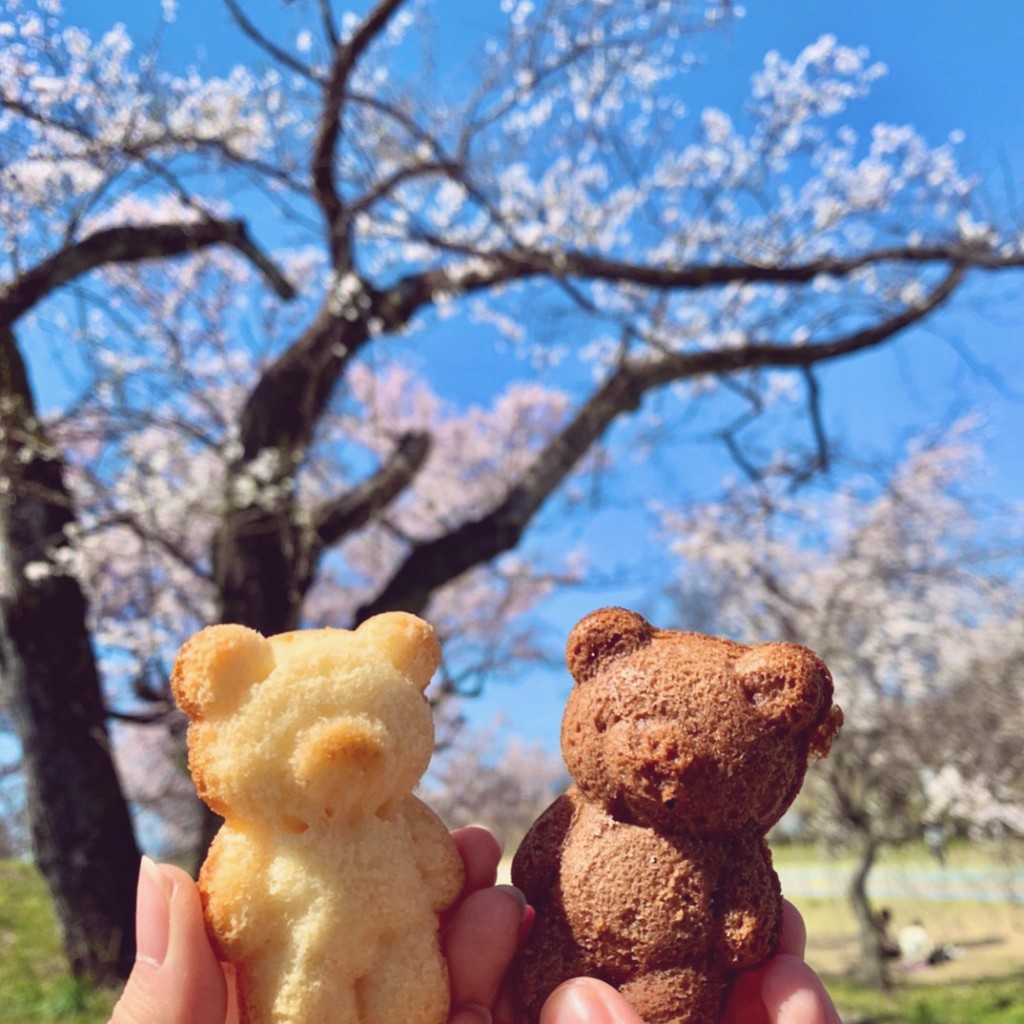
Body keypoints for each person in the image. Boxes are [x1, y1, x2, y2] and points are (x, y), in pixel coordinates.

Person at [109, 826, 842, 1024]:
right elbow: (233, 915)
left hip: (404, 948)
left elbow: (445, 870)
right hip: (302, 964)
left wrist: (741, 923)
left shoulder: (731, 842)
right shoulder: (255, 837)